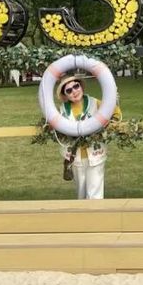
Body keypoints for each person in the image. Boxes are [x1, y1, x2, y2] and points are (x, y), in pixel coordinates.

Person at [55, 72, 121, 200]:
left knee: (95, 192)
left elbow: (115, 114)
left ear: (81, 87)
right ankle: (83, 212)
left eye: (76, 86)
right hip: (75, 157)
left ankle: (96, 212)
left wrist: (114, 100)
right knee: (81, 191)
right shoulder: (62, 110)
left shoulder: (95, 103)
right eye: (69, 90)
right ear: (65, 95)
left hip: (95, 153)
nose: (74, 91)